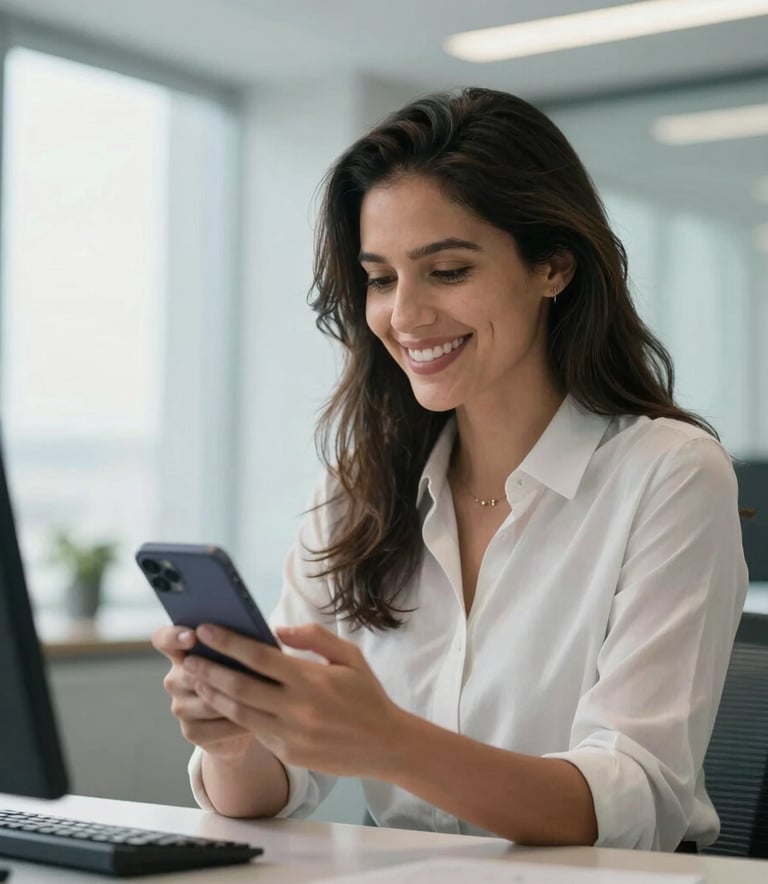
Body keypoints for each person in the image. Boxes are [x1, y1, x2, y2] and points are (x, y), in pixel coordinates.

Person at [152, 87, 748, 851]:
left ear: (553, 267)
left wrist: (387, 740)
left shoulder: (670, 475)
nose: (404, 316)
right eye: (380, 277)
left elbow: (636, 798)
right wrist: (239, 737)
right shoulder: (356, 487)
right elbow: (275, 789)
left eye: (448, 270)